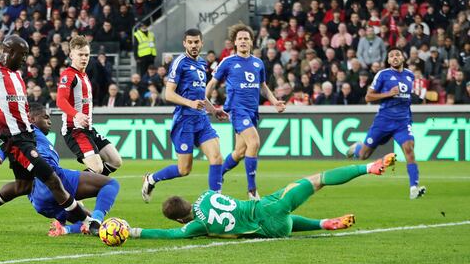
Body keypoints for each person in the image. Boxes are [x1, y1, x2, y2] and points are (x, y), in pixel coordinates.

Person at [0, 35, 89, 237]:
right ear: (10, 51)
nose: (24, 59)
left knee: (24, 186)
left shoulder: (17, 77)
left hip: (26, 136)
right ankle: (89, 222)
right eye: (23, 55)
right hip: (16, 141)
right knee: (53, 180)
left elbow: (20, 110)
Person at [129, 154, 397, 239]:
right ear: (187, 201)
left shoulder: (197, 228)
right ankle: (368, 167)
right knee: (319, 179)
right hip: (267, 205)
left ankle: (323, 223)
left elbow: (169, 235)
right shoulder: (207, 194)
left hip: (272, 229)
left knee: (285, 218)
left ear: (180, 219)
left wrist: (134, 232)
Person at [0, 104, 120, 236]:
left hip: (39, 201)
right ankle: (97, 221)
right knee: (111, 184)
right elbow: (10, 142)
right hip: (52, 180)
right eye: (45, 117)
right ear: (32, 119)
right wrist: (0, 156)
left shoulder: (35, 137)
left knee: (86, 221)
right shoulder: (28, 130)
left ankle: (65, 229)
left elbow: (11, 144)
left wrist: (1, 157)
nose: (50, 121)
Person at [142, 29, 228, 203]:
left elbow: (200, 95)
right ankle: (151, 179)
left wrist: (213, 110)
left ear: (201, 43)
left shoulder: (202, 63)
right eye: (190, 42)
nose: (194, 45)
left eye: (197, 42)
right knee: (184, 170)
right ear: (184, 43)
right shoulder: (179, 62)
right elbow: (169, 94)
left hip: (202, 119)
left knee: (217, 158)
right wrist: (190, 103)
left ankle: (215, 202)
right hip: (184, 121)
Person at [205, 23, 286, 200]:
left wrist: (274, 101)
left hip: (252, 111)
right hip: (236, 109)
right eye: (240, 39)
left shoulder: (258, 63)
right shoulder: (228, 62)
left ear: (251, 42)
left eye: (246, 39)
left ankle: (219, 173)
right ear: (235, 42)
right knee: (254, 142)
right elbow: (212, 83)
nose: (243, 41)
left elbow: (263, 86)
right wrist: (204, 101)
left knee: (240, 152)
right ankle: (252, 190)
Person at [347, 47, 426, 199]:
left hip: (402, 122)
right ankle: (357, 148)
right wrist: (388, 94)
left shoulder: (410, 75)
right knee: (364, 155)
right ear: (388, 60)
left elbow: (408, 98)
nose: (395, 57)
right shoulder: (383, 74)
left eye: (398, 54)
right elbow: (368, 97)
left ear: (403, 58)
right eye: (391, 56)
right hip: (384, 121)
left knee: (409, 151)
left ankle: (414, 188)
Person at [57, 35, 122, 175]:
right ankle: (69, 190)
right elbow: (60, 101)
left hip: (88, 130)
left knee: (115, 161)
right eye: (80, 54)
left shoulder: (84, 75)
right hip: (74, 130)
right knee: (97, 168)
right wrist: (77, 114)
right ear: (71, 55)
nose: (84, 58)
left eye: (86, 55)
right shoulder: (68, 75)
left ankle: (86, 187)